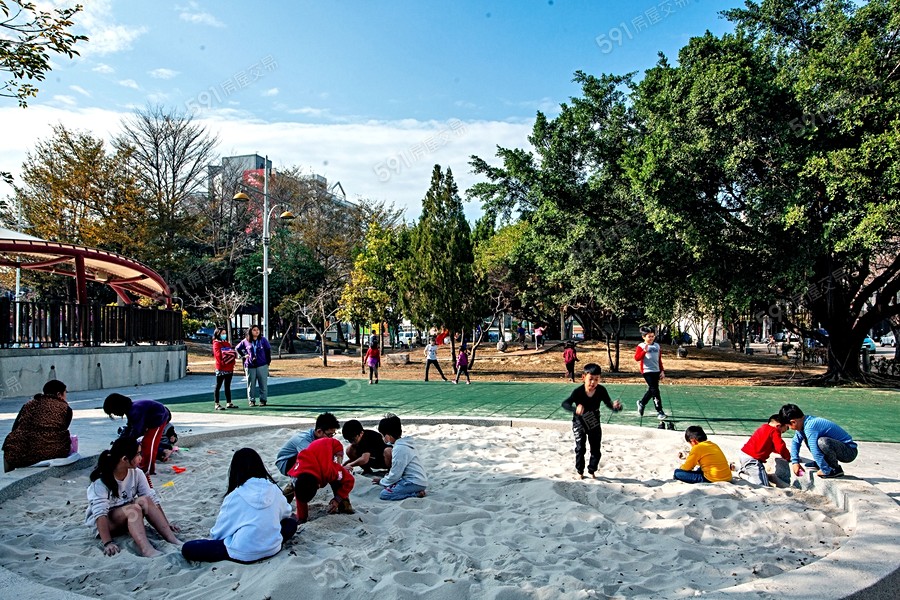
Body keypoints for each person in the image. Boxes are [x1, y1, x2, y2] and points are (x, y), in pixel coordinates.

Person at [181, 448, 297, 563]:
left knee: (188, 548)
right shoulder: (274, 489)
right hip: (273, 547)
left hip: (243, 553)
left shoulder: (235, 495)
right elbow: (286, 512)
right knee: (291, 523)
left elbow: (219, 532)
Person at [85, 436, 181, 557]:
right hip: (105, 524)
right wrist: (107, 542)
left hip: (127, 517)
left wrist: (166, 524)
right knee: (133, 508)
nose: (141, 458)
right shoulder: (101, 481)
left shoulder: (137, 473)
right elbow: (100, 514)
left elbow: (152, 499)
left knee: (145, 500)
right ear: (125, 459)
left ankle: (172, 539)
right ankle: (146, 549)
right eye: (138, 454)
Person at [561, 363, 623, 479]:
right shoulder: (578, 392)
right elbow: (565, 403)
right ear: (583, 377)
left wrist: (616, 407)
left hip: (593, 420)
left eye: (596, 379)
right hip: (579, 421)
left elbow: (609, 404)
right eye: (590, 379)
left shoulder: (601, 390)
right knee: (580, 448)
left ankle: (592, 470)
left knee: (596, 450)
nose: (593, 382)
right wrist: (575, 409)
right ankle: (580, 471)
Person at [2, 380, 73, 472]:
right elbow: (62, 430)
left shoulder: (28, 405)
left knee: (10, 442)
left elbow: (15, 429)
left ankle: (9, 473)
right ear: (59, 394)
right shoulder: (65, 408)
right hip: (52, 451)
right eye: (65, 393)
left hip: (20, 452)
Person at [780, 403, 858, 479]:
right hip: (840, 448)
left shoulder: (810, 426)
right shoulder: (803, 424)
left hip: (849, 451)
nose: (790, 428)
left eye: (788, 426)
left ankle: (834, 469)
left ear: (793, 422)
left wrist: (824, 469)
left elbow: (814, 449)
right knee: (810, 438)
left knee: (822, 442)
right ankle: (824, 463)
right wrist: (795, 462)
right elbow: (795, 442)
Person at [287, 437, 355, 522]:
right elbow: (299, 495)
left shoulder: (329, 472)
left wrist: (337, 499)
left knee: (339, 479)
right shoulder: (295, 476)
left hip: (334, 445)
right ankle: (282, 501)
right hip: (313, 456)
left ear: (318, 485)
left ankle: (345, 507)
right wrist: (301, 518)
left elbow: (349, 480)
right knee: (297, 489)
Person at [103, 393, 171, 476]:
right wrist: (121, 440)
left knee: (149, 445)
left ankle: (148, 469)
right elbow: (130, 427)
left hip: (158, 418)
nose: (115, 414)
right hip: (151, 419)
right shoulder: (130, 410)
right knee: (144, 443)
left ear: (118, 407)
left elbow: (137, 430)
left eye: (113, 412)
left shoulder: (135, 410)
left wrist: (126, 442)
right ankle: (147, 464)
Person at [372, 414, 428, 501]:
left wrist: (382, 482)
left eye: (383, 436)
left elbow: (396, 473)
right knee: (391, 484)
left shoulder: (399, 449)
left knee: (384, 494)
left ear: (387, 436)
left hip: (414, 482)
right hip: (419, 480)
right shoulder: (405, 444)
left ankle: (415, 494)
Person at [274, 412, 341, 477]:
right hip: (286, 463)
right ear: (319, 432)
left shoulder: (319, 437)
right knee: (312, 463)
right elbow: (311, 459)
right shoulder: (303, 440)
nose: (331, 438)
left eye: (333, 434)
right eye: (329, 435)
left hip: (298, 458)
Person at [737, 414, 791, 486]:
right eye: (782, 431)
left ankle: (743, 470)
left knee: (754, 471)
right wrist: (788, 457)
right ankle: (742, 475)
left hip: (744, 455)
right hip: (753, 459)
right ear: (778, 426)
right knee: (763, 484)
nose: (781, 434)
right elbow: (780, 447)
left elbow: (769, 446)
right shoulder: (774, 431)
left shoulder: (764, 427)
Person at [634, 326, 668, 420]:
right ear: (644, 337)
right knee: (655, 391)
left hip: (656, 371)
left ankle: (642, 403)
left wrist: (662, 371)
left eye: (653, 336)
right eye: (649, 336)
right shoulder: (641, 346)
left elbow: (659, 360)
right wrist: (644, 351)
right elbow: (637, 358)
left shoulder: (657, 346)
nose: (651, 338)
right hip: (647, 371)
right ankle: (659, 411)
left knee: (652, 390)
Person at [235, 325, 272, 407]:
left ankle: (263, 400)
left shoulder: (263, 340)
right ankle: (251, 400)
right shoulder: (245, 341)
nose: (257, 331)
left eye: (258, 329)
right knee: (251, 384)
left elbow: (268, 350)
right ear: (250, 331)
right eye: (254, 330)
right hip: (250, 365)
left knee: (263, 383)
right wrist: (243, 355)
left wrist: (268, 362)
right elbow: (237, 348)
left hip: (262, 365)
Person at [212, 326, 237, 410]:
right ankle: (217, 404)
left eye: (225, 333)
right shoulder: (216, 343)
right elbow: (218, 355)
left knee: (227, 386)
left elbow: (231, 353)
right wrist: (223, 363)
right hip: (221, 368)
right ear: (218, 334)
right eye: (222, 333)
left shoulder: (227, 343)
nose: (224, 335)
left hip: (229, 368)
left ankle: (229, 402)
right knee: (218, 385)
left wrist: (232, 362)